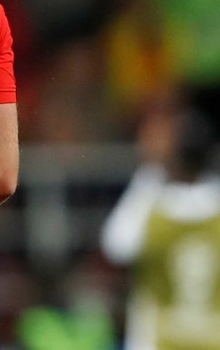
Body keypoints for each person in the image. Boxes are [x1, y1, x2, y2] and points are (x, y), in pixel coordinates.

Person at [100, 101, 220, 350]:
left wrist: (150, 169)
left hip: (156, 342)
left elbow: (115, 245)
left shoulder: (151, 204)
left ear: (173, 155)